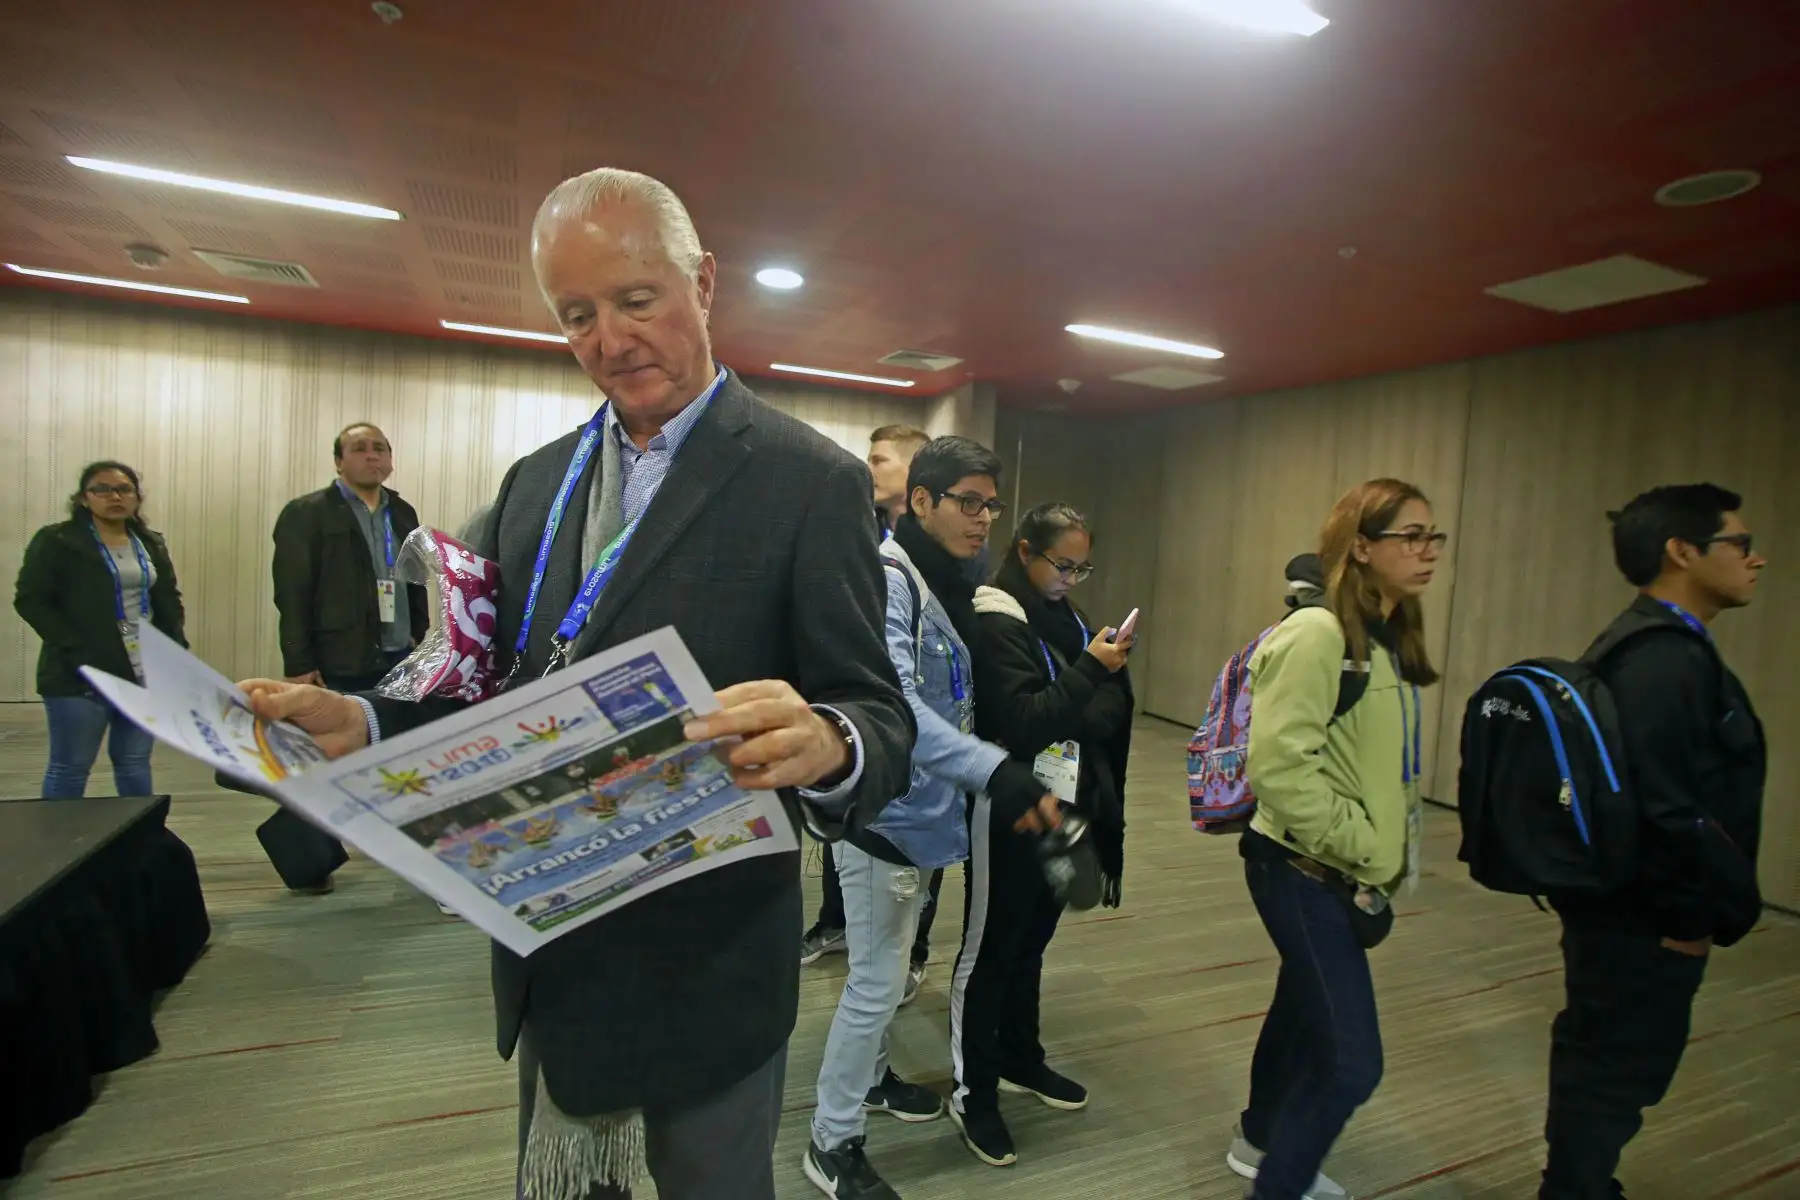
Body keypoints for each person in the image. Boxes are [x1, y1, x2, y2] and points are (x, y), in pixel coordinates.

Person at [238, 167, 913, 1200]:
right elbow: (485, 682)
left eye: (636, 301)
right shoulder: (536, 482)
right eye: (577, 316)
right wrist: (367, 716)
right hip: (556, 922)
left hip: (711, 942)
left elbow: (879, 714)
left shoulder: (808, 480)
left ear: (704, 283)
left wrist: (830, 738)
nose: (609, 339)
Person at [806, 436, 1059, 1200]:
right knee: (878, 980)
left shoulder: (948, 578)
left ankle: (875, 1080)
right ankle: (832, 1140)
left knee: (884, 972)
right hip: (882, 809)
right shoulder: (890, 578)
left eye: (991, 504)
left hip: (922, 811)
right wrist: (994, 772)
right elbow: (902, 707)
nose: (983, 519)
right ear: (921, 501)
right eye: (967, 503)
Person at [1540, 484, 1766, 1200]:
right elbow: (1666, 812)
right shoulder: (1662, 660)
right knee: (1613, 1071)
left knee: (1609, 1065)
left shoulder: (1651, 644)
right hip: (1640, 923)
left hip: (1625, 913)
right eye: (1739, 544)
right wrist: (1687, 923)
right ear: (1682, 552)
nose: (1756, 560)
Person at [1229, 479, 1443, 1200]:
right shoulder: (1318, 633)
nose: (1427, 552)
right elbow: (1280, 768)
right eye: (1409, 536)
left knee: (1302, 1005)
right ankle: (1278, 1183)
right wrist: (1364, 844)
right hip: (1303, 868)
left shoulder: (1386, 635)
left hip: (1343, 867)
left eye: (1433, 537)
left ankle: (1260, 1137)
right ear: (1361, 547)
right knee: (1352, 1063)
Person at [948, 501, 1133, 1167]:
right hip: (1012, 804)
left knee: (1032, 943)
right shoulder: (997, 615)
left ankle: (1021, 1058)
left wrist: (1086, 688)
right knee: (991, 951)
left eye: (1083, 566)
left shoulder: (1073, 620)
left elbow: (1109, 711)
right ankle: (974, 1092)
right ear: (1025, 551)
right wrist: (1090, 675)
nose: (1072, 578)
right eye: (1063, 564)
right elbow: (1024, 723)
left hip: (1069, 800)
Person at [804, 422, 940, 1007]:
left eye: (881, 460)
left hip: (910, 732)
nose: (869, 468)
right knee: (846, 831)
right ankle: (835, 922)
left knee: (908, 861)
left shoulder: (931, 555)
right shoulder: (862, 529)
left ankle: (914, 953)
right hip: (855, 717)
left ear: (916, 480)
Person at [14, 461, 186, 798]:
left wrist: (175, 649)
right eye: (102, 489)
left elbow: (167, 598)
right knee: (71, 766)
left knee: (134, 762)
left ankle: (142, 843)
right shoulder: (58, 541)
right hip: (81, 674)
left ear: (137, 497)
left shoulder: (150, 543)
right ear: (83, 498)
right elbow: (31, 601)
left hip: (142, 671)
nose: (115, 496)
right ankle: (61, 845)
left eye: (124, 489)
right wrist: (76, 650)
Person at [272, 422, 428, 692]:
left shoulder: (403, 512)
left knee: (395, 731)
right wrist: (298, 663)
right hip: (340, 661)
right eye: (359, 449)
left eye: (379, 448)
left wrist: (418, 629)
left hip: (400, 654)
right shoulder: (306, 513)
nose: (371, 455)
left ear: (390, 460)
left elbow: (415, 575)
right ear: (338, 462)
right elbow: (292, 593)